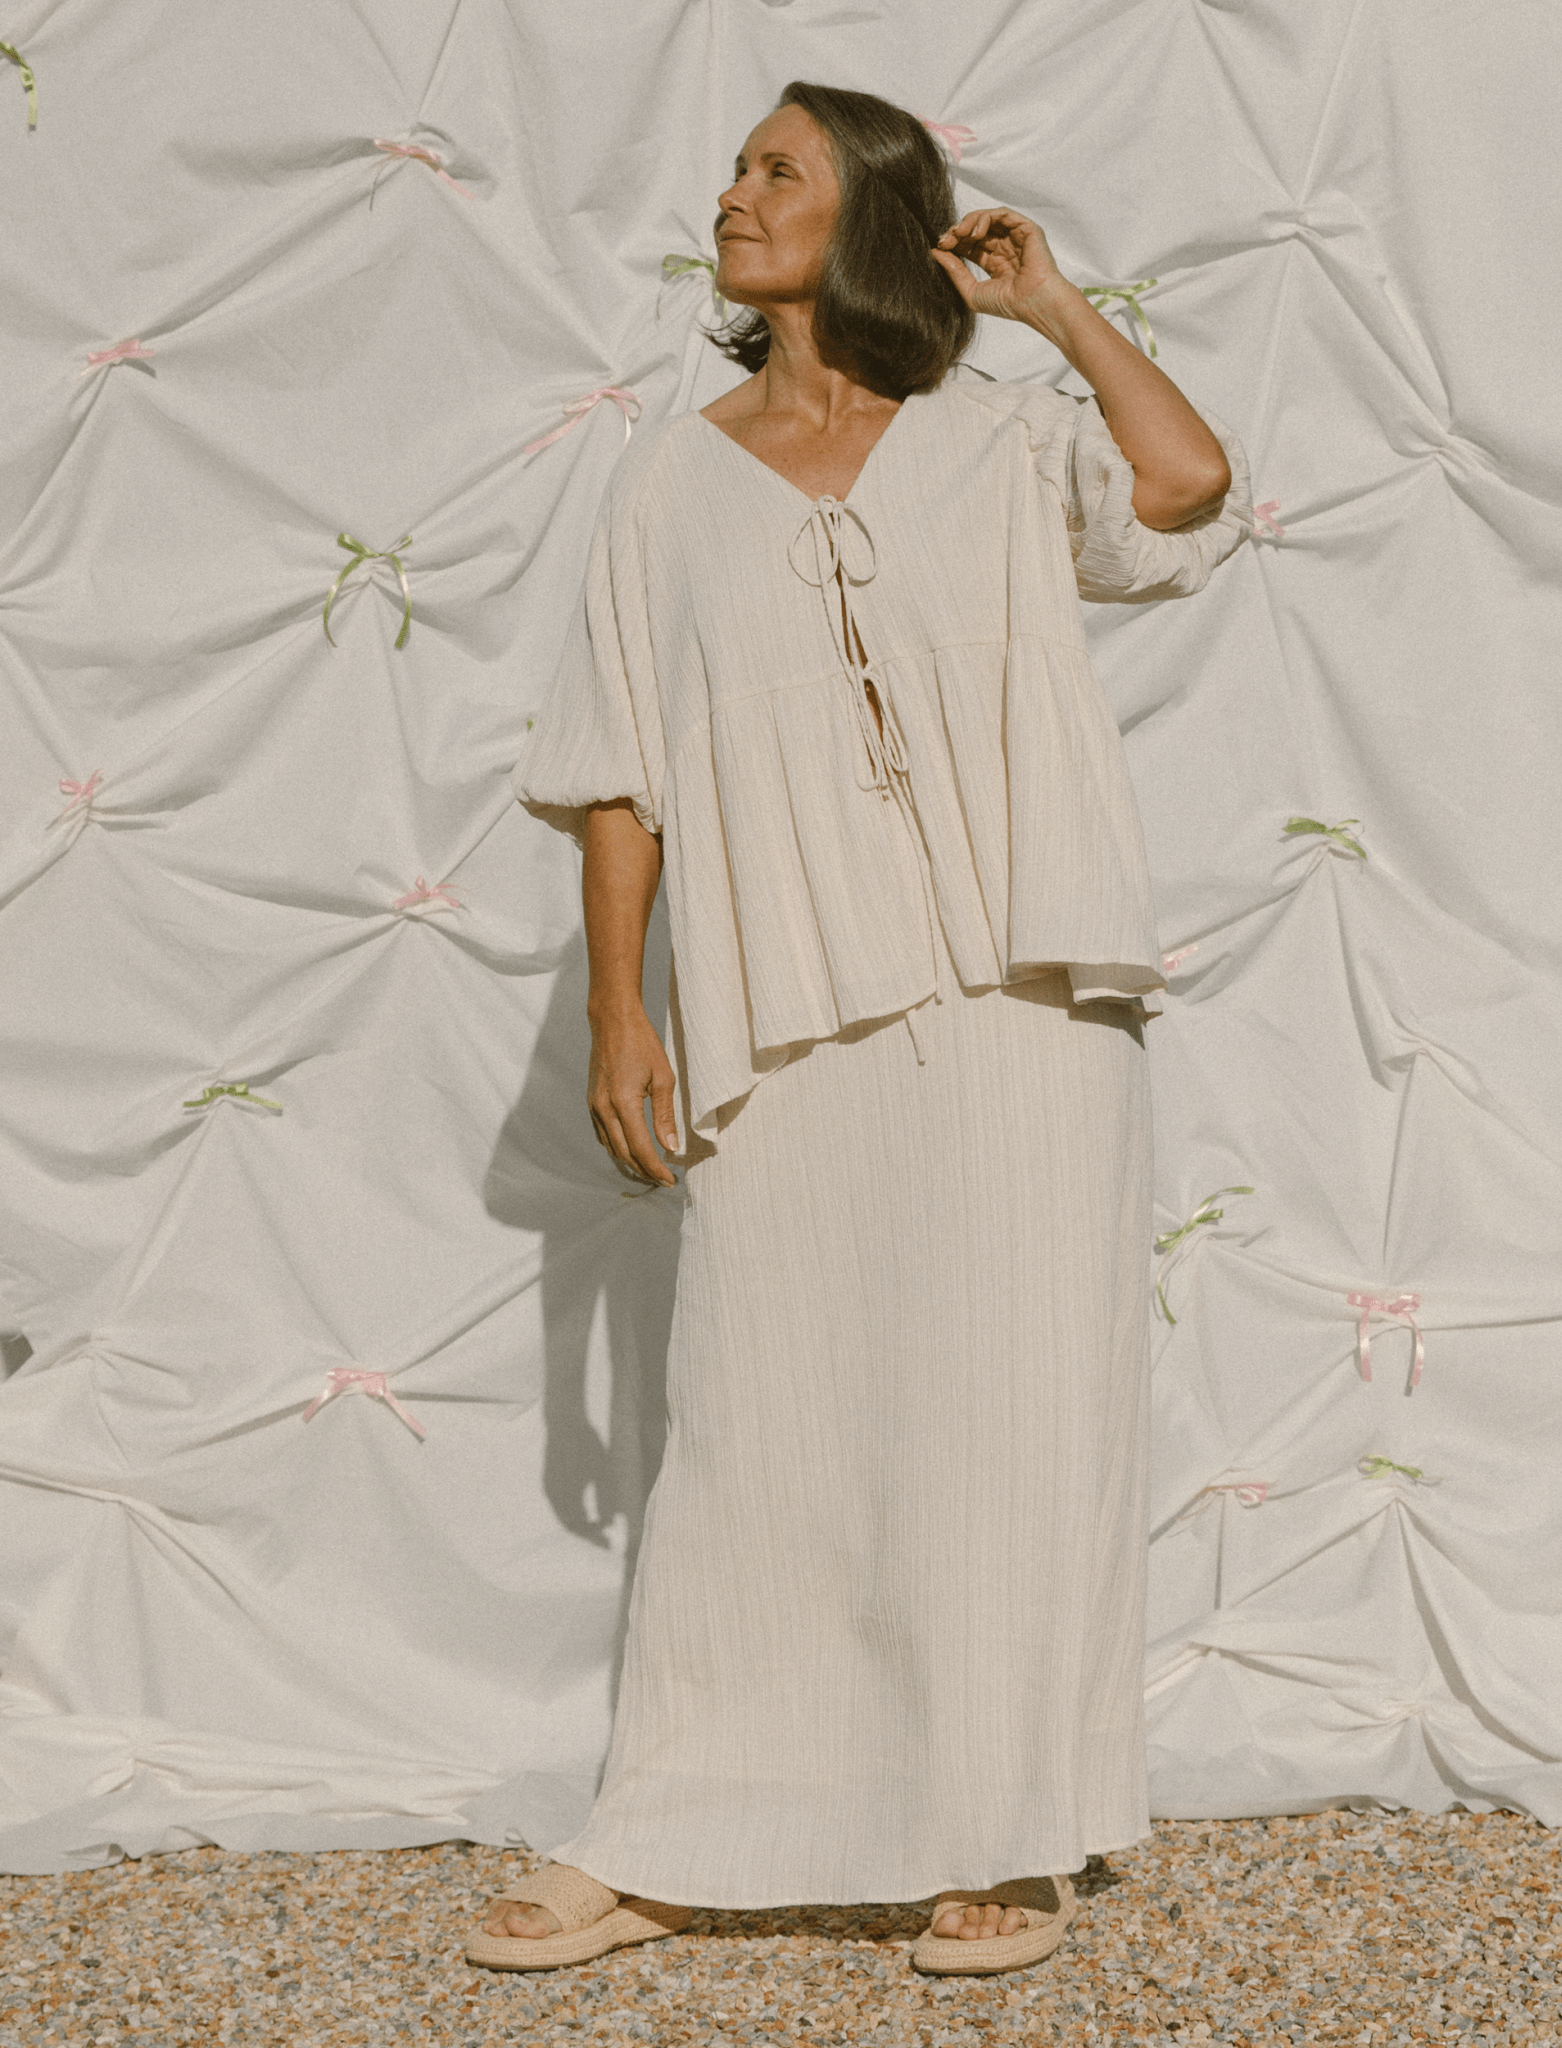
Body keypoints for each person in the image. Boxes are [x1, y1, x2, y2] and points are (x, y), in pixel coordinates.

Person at [469, 80, 1251, 1978]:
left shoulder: (990, 438)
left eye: (778, 171)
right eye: (735, 167)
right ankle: (677, 1831)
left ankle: (999, 1839)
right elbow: (620, 775)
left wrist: (1055, 309)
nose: (733, 196)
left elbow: (1182, 487)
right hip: (780, 1010)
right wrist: (619, 1013)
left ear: (873, 215)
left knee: (1005, 1423)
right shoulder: (670, 478)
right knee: (761, 1433)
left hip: (1021, 1006)